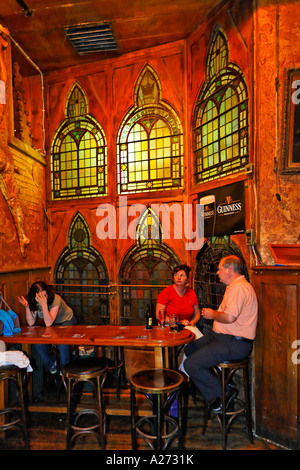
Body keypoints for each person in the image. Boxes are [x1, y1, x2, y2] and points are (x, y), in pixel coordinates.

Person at [184, 255, 258, 413]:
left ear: (229, 270)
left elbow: (229, 317)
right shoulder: (233, 286)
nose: (217, 272)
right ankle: (221, 385)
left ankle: (223, 393)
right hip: (221, 337)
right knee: (189, 350)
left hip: (235, 343)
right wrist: (214, 314)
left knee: (190, 364)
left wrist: (212, 314)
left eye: (219, 269)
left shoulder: (239, 288)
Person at [18, 281, 77, 373]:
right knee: (38, 343)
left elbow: (49, 323)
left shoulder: (55, 299)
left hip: (66, 321)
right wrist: (27, 307)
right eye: (39, 296)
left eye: (44, 295)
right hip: (50, 325)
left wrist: (44, 304)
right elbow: (31, 322)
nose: (43, 298)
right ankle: (52, 363)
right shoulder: (34, 300)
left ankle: (65, 370)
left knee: (62, 344)